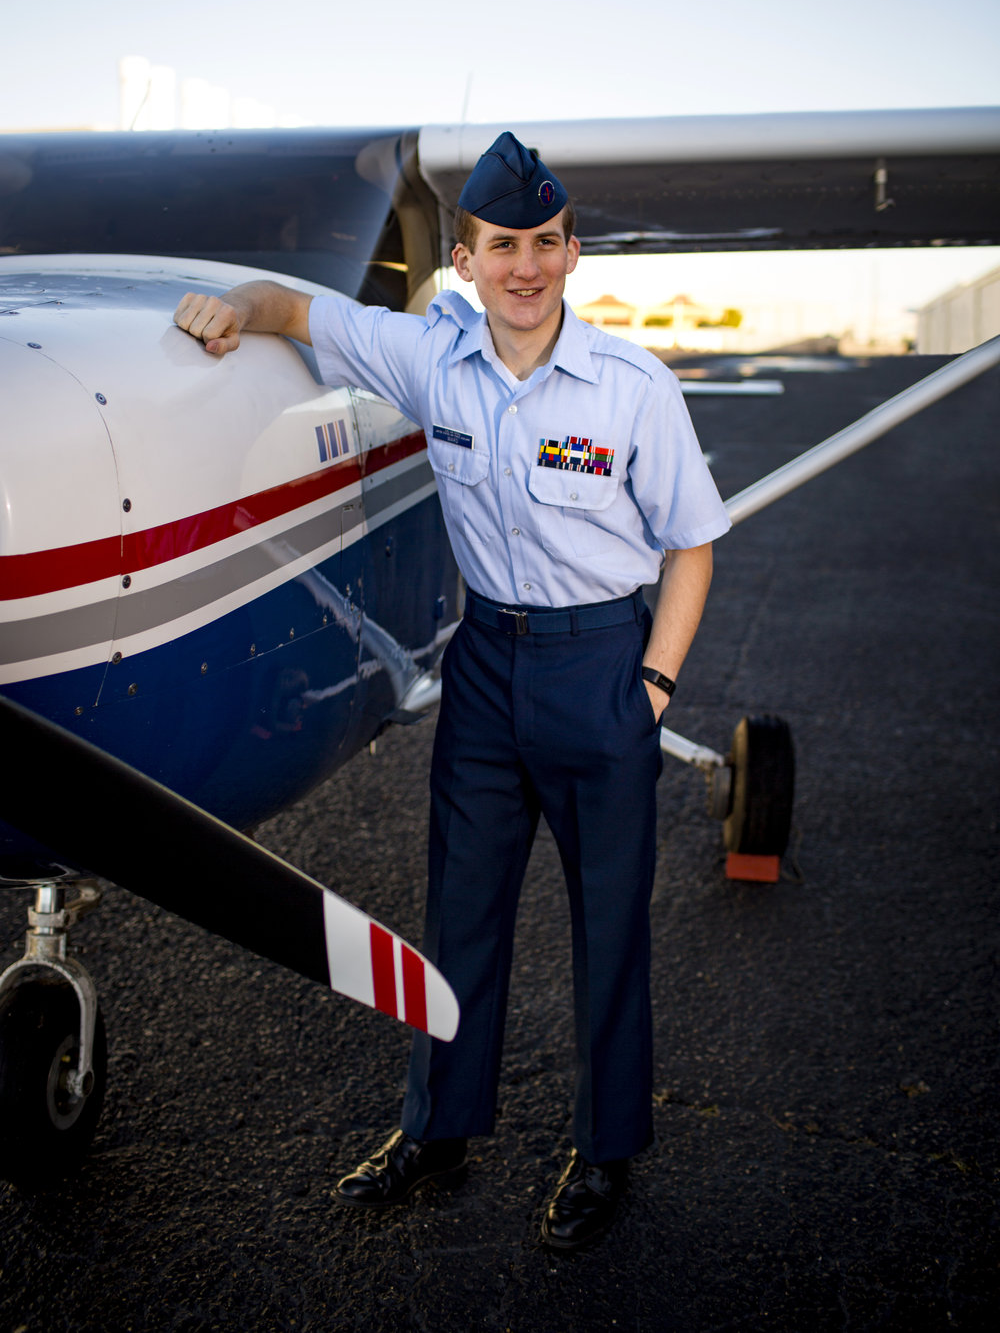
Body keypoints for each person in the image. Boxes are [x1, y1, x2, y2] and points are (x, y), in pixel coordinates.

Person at [174, 131, 731, 1251]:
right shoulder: (431, 360)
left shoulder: (633, 390)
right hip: (483, 671)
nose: (522, 267)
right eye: (498, 247)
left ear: (572, 253)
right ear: (467, 264)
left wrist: (653, 689)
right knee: (460, 919)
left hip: (600, 668)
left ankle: (607, 1151)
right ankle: (438, 1129)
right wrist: (228, 304)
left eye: (542, 243)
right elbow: (300, 311)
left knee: (607, 927)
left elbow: (693, 547)